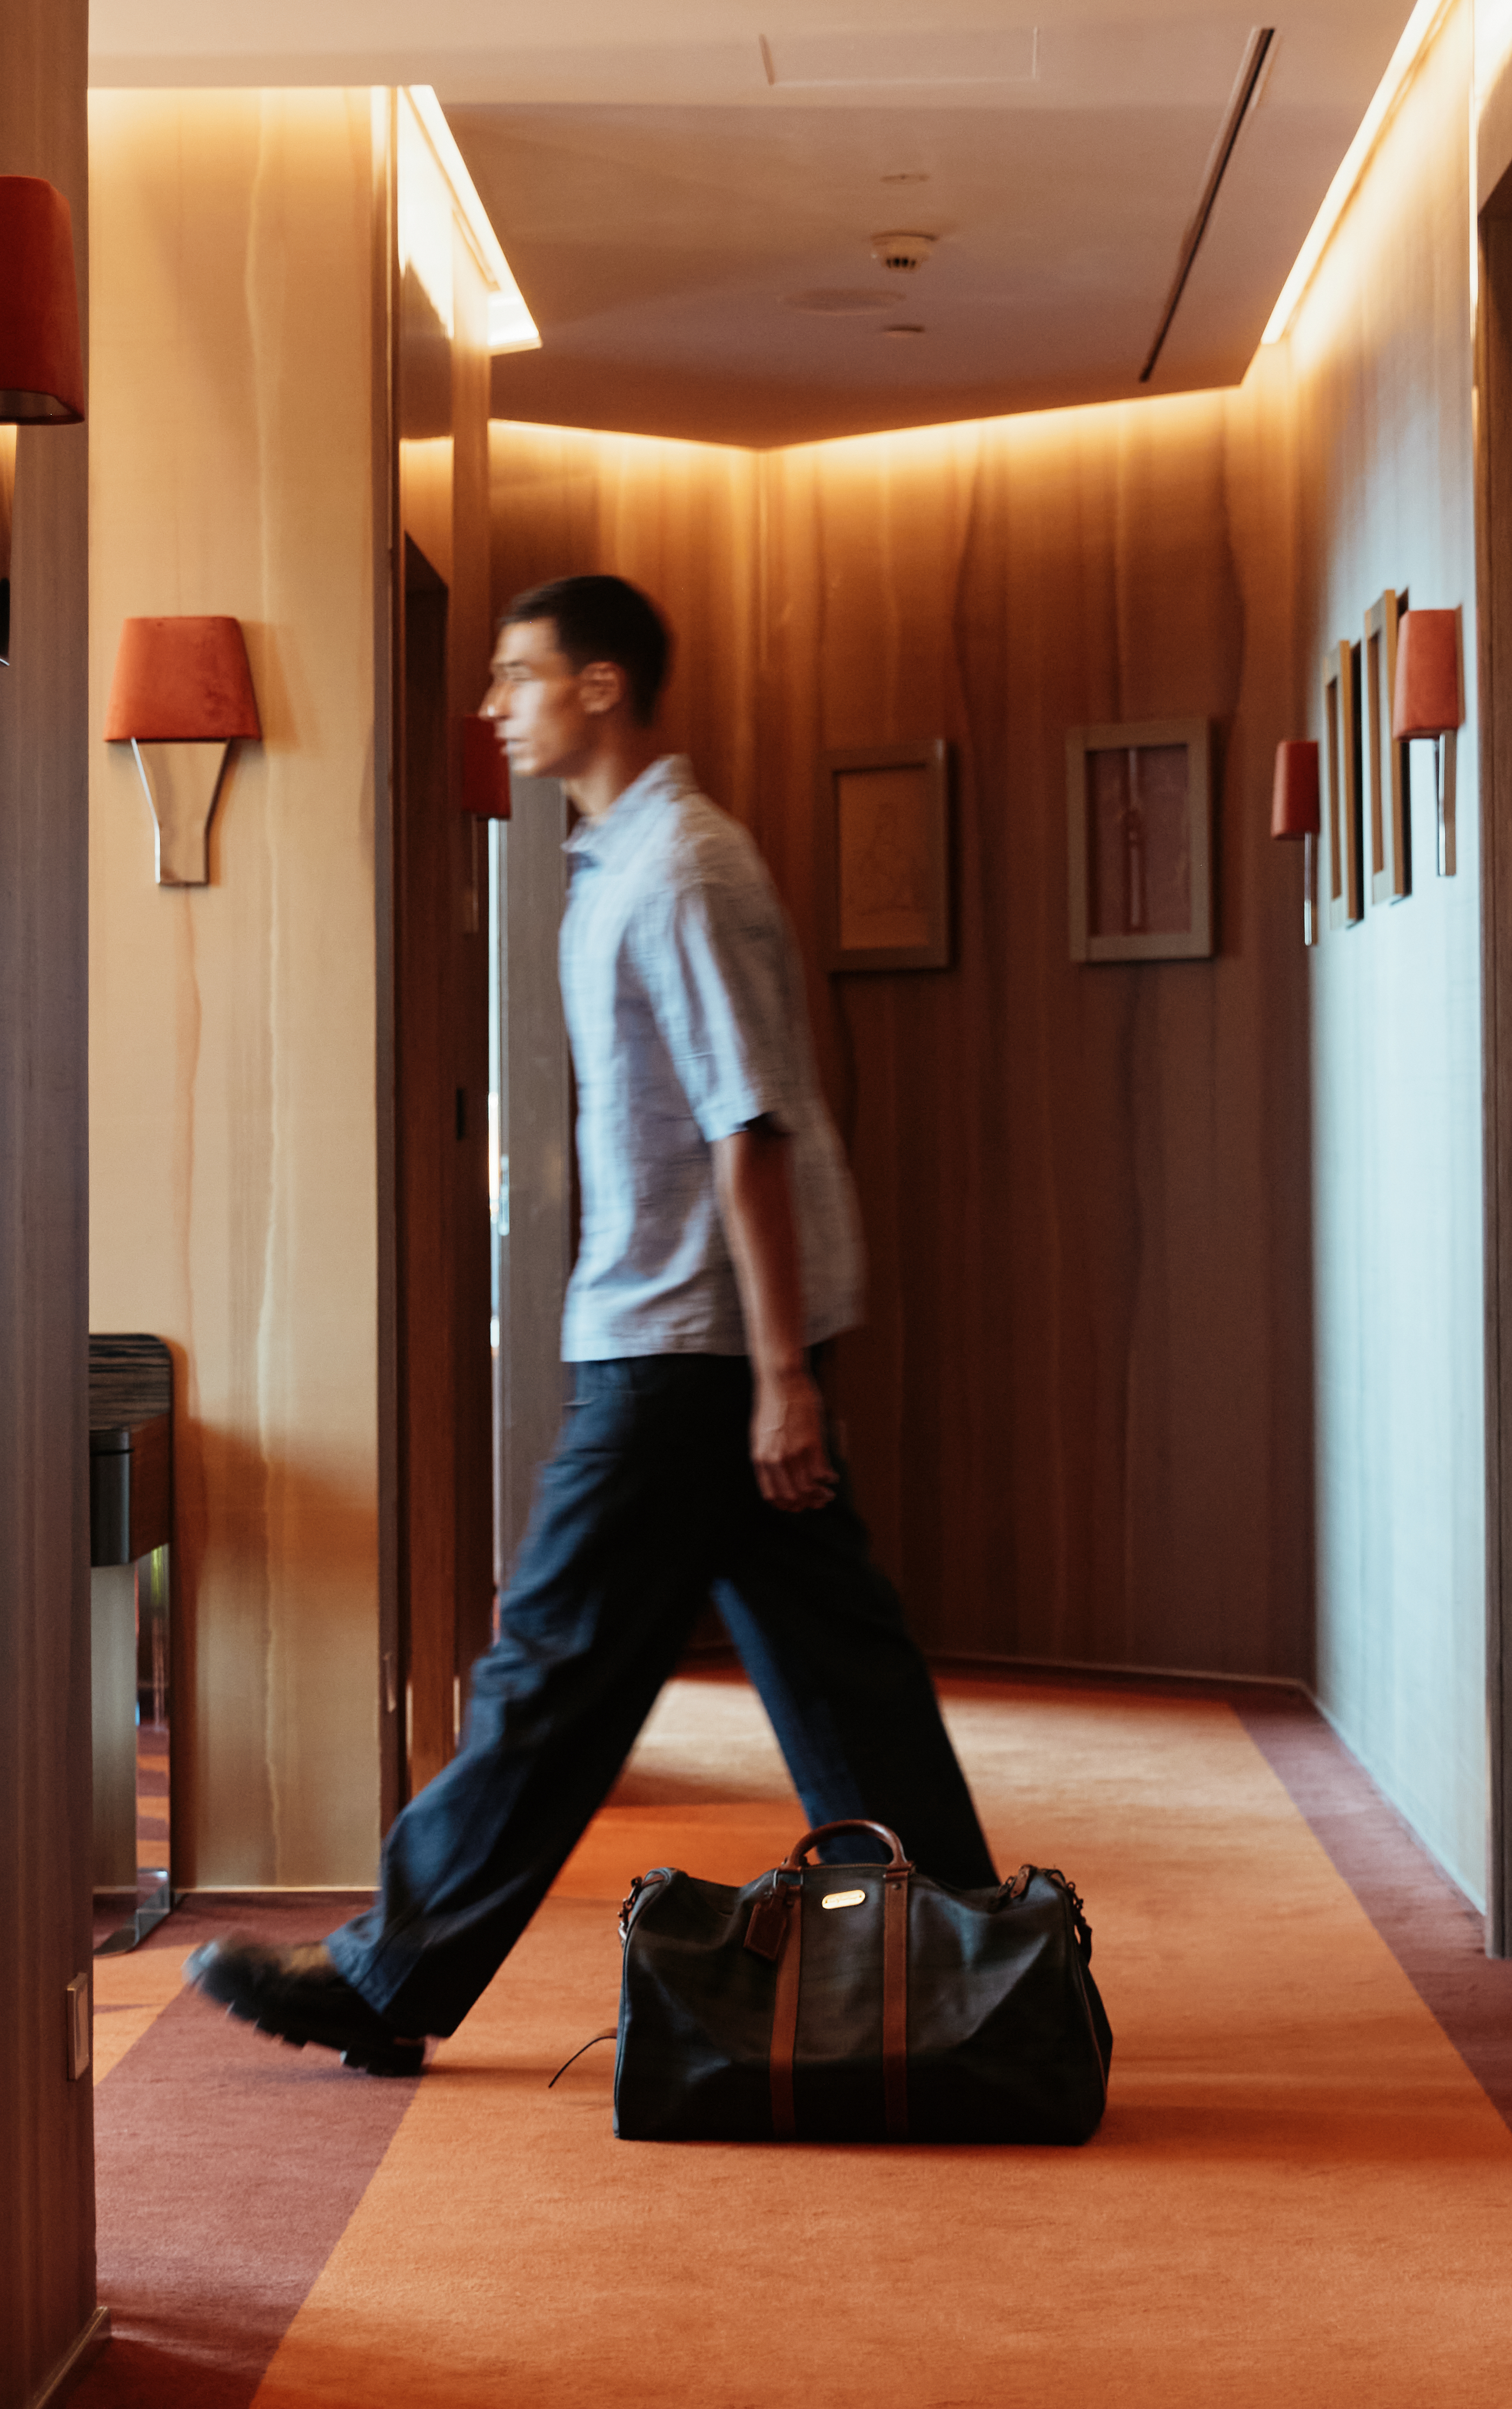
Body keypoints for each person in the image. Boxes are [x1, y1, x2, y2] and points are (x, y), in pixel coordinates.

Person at [185, 574, 996, 2074]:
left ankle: (387, 1978)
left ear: (604, 688)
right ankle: (966, 1967)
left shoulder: (682, 868)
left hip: (687, 1350)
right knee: (840, 1675)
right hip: (691, 1337)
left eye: (519, 674)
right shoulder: (619, 861)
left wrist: (774, 1380)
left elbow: (748, 1124)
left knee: (550, 1670)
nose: (495, 704)